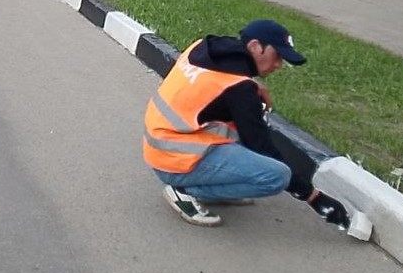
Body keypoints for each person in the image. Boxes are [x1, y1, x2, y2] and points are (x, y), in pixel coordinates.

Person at [143, 19, 350, 228]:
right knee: (277, 176)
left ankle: (205, 181)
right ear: (254, 47)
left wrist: (253, 87)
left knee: (245, 131)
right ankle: (184, 191)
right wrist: (313, 197)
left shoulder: (203, 48)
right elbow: (263, 147)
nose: (278, 65)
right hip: (173, 162)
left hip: (160, 144)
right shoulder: (239, 89)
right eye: (276, 55)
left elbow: (216, 84)